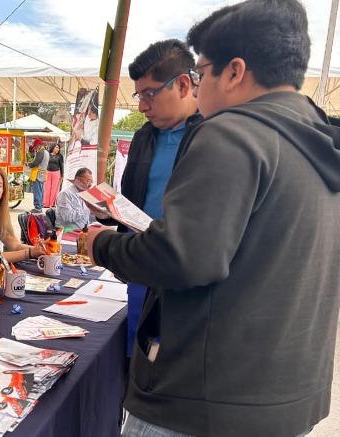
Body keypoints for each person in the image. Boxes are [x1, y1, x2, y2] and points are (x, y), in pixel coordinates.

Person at [88, 1, 340, 436]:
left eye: (202, 73)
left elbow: (181, 257)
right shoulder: (320, 143)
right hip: (285, 397)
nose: (200, 85)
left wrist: (100, 244)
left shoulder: (232, 133)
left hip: (200, 401)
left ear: (234, 72)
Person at [99, 39, 201, 358]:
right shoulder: (144, 136)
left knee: (176, 359)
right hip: (142, 262)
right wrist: (107, 209)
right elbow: (134, 197)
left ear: (183, 84)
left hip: (187, 271)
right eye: (139, 95)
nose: (142, 106)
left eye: (149, 94)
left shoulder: (213, 135)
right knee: (138, 353)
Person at [27, 138, 49, 213]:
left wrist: (28, 164)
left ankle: (37, 207)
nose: (35, 148)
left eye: (36, 146)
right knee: (41, 191)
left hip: (38, 174)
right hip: (42, 174)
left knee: (37, 191)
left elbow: (35, 163)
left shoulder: (41, 152)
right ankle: (40, 205)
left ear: (38, 145)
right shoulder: (46, 152)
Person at [42, 142, 64, 208]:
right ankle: (46, 203)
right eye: (56, 147)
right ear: (53, 147)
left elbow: (61, 166)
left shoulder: (60, 156)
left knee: (54, 189)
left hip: (56, 173)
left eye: (58, 148)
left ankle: (52, 203)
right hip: (48, 172)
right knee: (47, 188)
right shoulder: (48, 155)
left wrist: (62, 175)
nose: (57, 149)